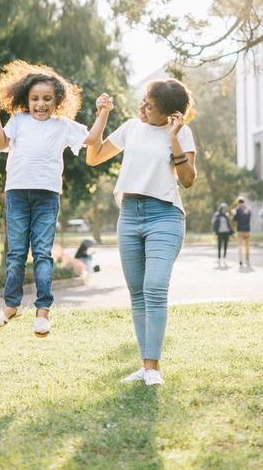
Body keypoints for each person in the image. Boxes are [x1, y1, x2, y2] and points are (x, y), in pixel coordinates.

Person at [86, 79, 197, 387]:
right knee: (137, 294)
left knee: (155, 287)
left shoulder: (182, 132)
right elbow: (93, 158)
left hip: (165, 215)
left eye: (150, 106)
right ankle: (146, 366)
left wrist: (174, 138)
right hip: (130, 215)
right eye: (144, 102)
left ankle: (153, 368)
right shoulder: (132, 127)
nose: (143, 108)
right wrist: (102, 115)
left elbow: (188, 179)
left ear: (171, 115)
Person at [0, 60, 91, 338]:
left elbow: (91, 138)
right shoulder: (18, 121)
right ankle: (10, 306)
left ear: (57, 101)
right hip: (17, 194)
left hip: (47, 196)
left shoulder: (62, 125)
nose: (40, 104)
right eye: (35, 99)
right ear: (26, 99)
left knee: (42, 253)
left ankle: (42, 312)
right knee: (17, 253)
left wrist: (102, 112)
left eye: (46, 99)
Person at [232, 196, 252, 267]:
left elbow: (234, 219)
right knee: (247, 246)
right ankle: (247, 259)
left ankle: (240, 260)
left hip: (240, 230)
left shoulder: (237, 210)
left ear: (238, 202)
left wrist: (234, 213)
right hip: (247, 230)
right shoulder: (248, 209)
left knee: (240, 246)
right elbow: (249, 218)